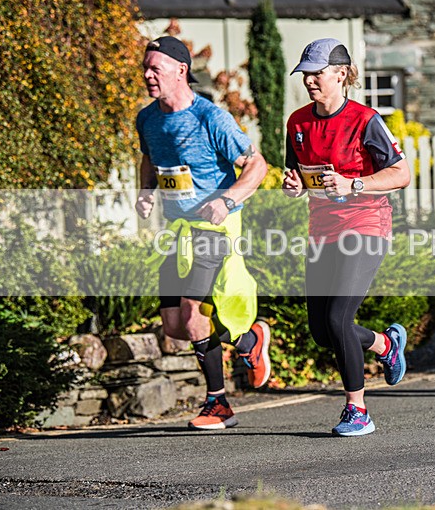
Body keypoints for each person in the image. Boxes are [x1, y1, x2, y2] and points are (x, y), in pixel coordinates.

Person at [135, 36, 271, 429]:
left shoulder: (211, 118)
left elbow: (256, 166)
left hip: (214, 226)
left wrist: (227, 200)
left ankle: (218, 404)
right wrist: (146, 193)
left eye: (155, 68)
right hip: (177, 228)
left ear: (181, 71)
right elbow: (149, 157)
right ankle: (249, 342)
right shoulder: (148, 118)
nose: (147, 75)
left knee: (195, 315)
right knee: (174, 325)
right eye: (145, 68)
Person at [282, 38, 412, 436]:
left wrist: (354, 185)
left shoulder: (365, 119)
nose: (310, 81)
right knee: (323, 333)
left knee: (340, 318)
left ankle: (358, 410)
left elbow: (402, 174)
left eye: (317, 73)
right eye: (306, 74)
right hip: (321, 232)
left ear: (341, 74)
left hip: (365, 225)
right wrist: (294, 185)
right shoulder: (297, 122)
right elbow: (301, 175)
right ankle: (385, 346)